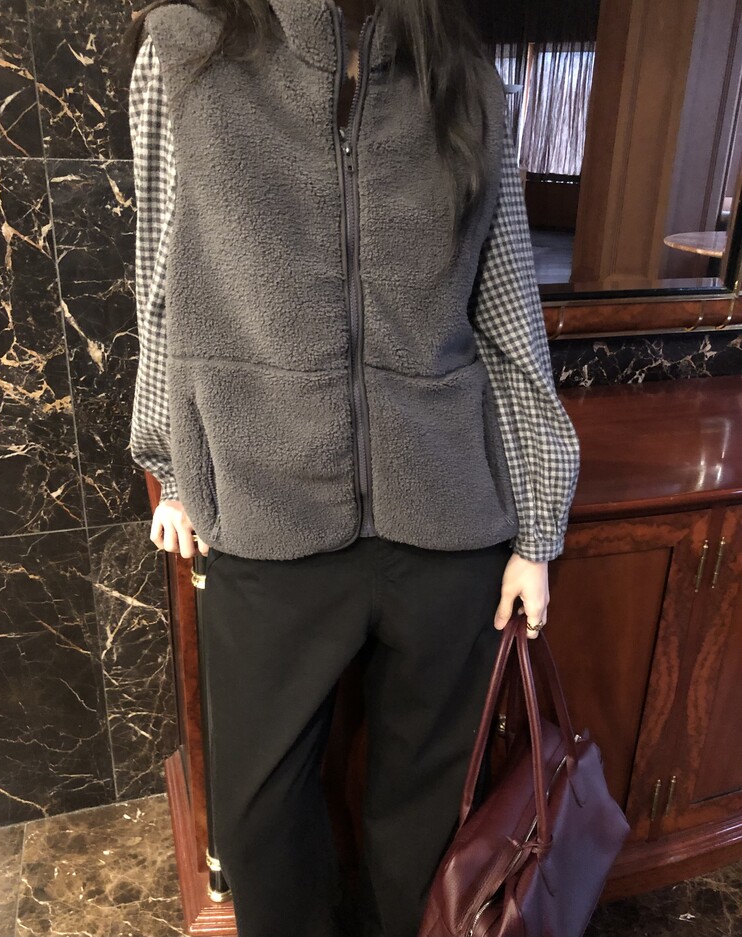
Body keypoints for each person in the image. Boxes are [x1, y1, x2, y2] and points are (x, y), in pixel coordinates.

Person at [123, 1, 581, 935]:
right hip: (268, 511)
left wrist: (536, 530)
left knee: (425, 816)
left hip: (449, 522)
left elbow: (507, 309)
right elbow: (164, 278)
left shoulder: (466, 80)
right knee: (259, 823)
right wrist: (169, 458)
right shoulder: (185, 54)